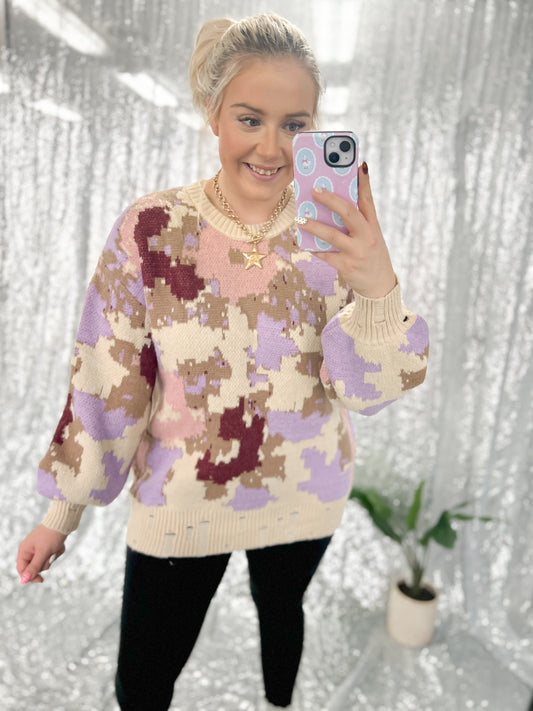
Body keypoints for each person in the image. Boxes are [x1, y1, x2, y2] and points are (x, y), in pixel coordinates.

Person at [16, 13, 429, 711]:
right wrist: (63, 511)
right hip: (181, 500)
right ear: (214, 116)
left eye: (295, 124)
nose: (271, 146)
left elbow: (365, 392)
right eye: (249, 119)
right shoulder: (152, 228)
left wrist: (378, 285)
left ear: (315, 128)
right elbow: (109, 376)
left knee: (283, 618)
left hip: (305, 493)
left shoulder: (334, 235)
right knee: (144, 677)